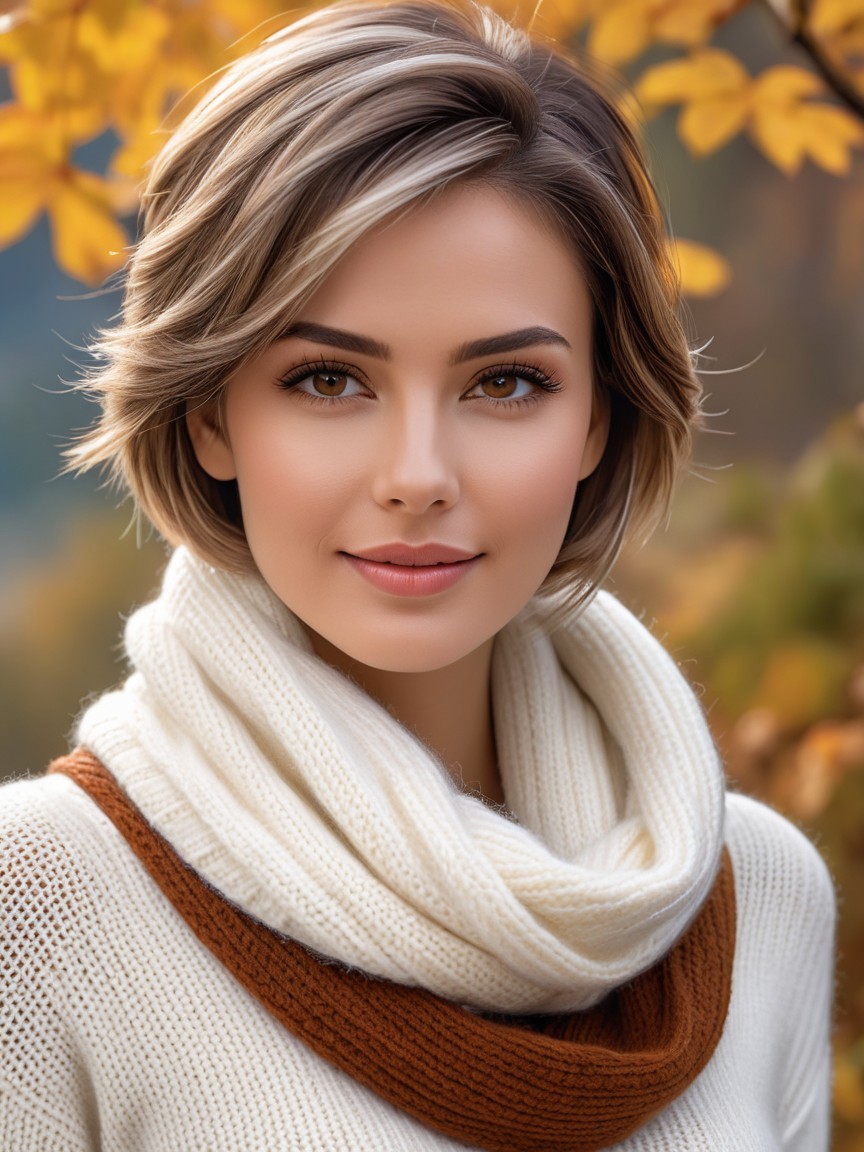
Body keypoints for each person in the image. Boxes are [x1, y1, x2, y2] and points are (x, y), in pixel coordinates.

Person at [0, 1, 835, 1148]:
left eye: (506, 385)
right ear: (208, 415)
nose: (418, 476)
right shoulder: (41, 899)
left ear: (600, 417)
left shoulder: (766, 897)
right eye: (330, 382)